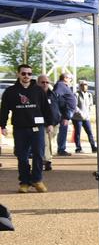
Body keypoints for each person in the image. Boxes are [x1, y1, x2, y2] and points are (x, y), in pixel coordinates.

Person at [0, 64, 54, 193]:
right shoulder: (10, 91)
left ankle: (37, 180)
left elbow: (46, 108)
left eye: (29, 74)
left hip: (37, 128)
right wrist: (3, 125)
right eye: (23, 73)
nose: (26, 76)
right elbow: (4, 110)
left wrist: (50, 123)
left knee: (39, 154)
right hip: (20, 128)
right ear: (18, 74)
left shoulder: (38, 90)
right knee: (22, 156)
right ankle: (24, 182)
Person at [52, 72, 77, 156]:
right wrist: (65, 113)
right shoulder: (60, 85)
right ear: (65, 78)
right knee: (61, 130)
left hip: (65, 112)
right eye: (70, 79)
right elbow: (56, 96)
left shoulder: (63, 86)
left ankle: (61, 149)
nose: (71, 81)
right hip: (64, 112)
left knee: (62, 130)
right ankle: (61, 149)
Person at [36, 75, 57, 169]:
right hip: (42, 123)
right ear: (38, 83)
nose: (45, 84)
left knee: (51, 142)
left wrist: (63, 117)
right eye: (42, 82)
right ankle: (46, 161)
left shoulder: (53, 94)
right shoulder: (35, 95)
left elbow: (58, 106)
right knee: (45, 142)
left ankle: (47, 158)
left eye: (47, 82)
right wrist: (47, 123)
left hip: (55, 122)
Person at [72, 79, 97, 154]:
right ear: (80, 86)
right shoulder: (76, 94)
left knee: (89, 132)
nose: (85, 86)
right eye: (83, 85)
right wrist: (80, 113)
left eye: (86, 85)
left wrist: (88, 113)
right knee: (78, 133)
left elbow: (90, 105)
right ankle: (78, 148)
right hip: (77, 118)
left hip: (86, 117)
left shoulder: (89, 95)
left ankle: (93, 147)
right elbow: (74, 106)